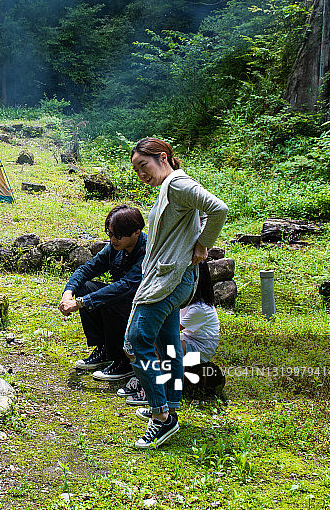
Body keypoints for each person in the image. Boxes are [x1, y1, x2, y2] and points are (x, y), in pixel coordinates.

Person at [125, 137, 227, 449]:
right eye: (137, 170)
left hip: (171, 279)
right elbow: (203, 215)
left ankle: (161, 417)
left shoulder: (178, 183)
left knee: (137, 339)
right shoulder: (170, 187)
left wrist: (202, 244)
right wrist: (197, 239)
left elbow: (217, 208)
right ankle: (170, 404)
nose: (142, 173)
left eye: (144, 165)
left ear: (163, 156)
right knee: (169, 344)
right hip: (171, 277)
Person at [59, 205, 147, 382]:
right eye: (110, 234)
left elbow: (126, 286)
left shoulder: (148, 251)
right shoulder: (115, 247)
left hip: (143, 306)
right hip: (124, 298)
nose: (113, 240)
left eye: (118, 235)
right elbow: (87, 268)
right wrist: (68, 293)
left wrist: (81, 303)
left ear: (136, 232)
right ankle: (105, 349)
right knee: (86, 287)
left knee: (109, 299)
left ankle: (124, 360)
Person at [120, 259, 221, 405]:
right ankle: (147, 382)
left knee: (166, 346)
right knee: (156, 343)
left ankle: (154, 389)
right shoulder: (185, 300)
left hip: (200, 348)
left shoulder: (200, 308)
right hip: (187, 339)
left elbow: (170, 329)